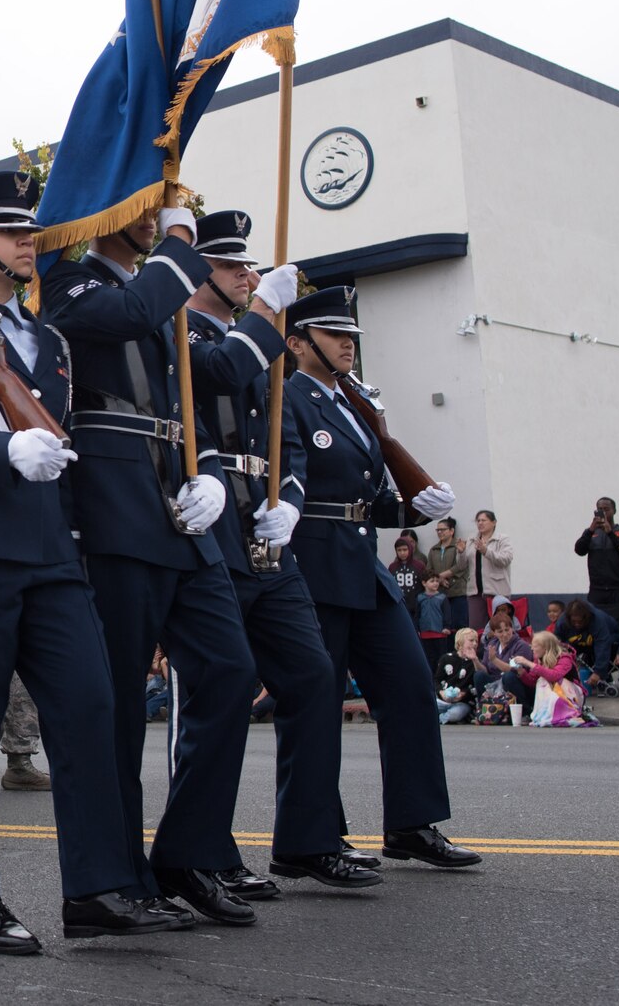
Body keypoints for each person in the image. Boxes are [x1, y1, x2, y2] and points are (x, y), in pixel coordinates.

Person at [0, 170, 189, 948]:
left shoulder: (46, 339)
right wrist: (3, 447)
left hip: (49, 553)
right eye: (11, 231)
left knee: (89, 709)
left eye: (30, 229)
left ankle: (96, 887)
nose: (30, 241)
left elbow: (64, 445)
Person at [43, 197, 274, 928]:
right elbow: (126, 316)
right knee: (111, 704)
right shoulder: (69, 284)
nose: (150, 217)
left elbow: (219, 370)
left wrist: (268, 310)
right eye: (138, 205)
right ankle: (107, 881)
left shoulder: (167, 299)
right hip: (114, 511)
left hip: (181, 506)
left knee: (232, 670)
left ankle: (187, 851)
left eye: (158, 209)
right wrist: (182, 242)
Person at [182, 209, 366, 898]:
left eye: (248, 266)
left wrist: (287, 495)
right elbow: (219, 379)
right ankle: (207, 849)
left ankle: (309, 838)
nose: (247, 275)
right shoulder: (185, 331)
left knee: (312, 675)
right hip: (214, 520)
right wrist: (265, 313)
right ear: (199, 271)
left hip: (266, 528)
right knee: (216, 691)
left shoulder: (254, 340)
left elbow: (280, 429)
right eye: (233, 267)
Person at [280, 287, 479, 871]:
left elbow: (369, 498)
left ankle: (411, 825)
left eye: (351, 336)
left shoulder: (354, 404)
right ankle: (309, 842)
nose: (348, 344)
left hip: (363, 568)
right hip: (313, 567)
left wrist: (418, 506)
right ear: (297, 343)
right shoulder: (287, 399)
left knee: (411, 688)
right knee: (315, 704)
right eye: (335, 335)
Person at [512, 630, 594, 726]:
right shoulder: (539, 659)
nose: (532, 648)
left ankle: (559, 714)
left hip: (572, 697)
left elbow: (554, 676)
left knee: (545, 680)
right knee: (540, 681)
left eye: (535, 646)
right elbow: (532, 682)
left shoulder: (564, 658)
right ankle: (543, 715)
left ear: (546, 647)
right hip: (554, 696)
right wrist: (522, 673)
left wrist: (529, 663)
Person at [575, 497, 619, 626]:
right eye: (600, 510)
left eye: (606, 509)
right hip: (597, 589)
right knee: (597, 625)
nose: (603, 512)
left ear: (614, 511)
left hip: (618, 589)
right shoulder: (591, 533)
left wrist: (610, 533)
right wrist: (590, 530)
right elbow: (579, 550)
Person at [479, 600, 536, 721]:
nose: (505, 634)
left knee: (509, 677)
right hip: (495, 683)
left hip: (516, 682)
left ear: (512, 629)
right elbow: (484, 668)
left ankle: (525, 711)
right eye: (500, 632)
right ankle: (484, 710)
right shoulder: (492, 644)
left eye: (507, 630)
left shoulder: (521, 645)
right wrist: (474, 659)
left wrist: (494, 660)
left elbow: (515, 670)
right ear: (494, 633)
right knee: (479, 675)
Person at [425, 518, 478, 632]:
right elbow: (429, 569)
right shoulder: (434, 549)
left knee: (460, 625)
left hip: (458, 592)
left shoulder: (459, 545)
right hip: (440, 593)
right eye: (438, 530)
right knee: (444, 626)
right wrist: (439, 579)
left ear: (451, 530)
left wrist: (443, 575)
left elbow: (461, 565)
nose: (440, 532)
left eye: (443, 529)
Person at [552, 599, 619, 682]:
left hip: (610, 639)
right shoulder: (563, 621)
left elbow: (602, 646)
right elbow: (556, 640)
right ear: (569, 618)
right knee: (562, 648)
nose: (577, 624)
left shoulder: (597, 620)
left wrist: (598, 672)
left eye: (579, 621)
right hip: (580, 641)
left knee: (602, 649)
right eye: (574, 621)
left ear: (586, 618)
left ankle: (604, 676)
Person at [465, 510, 514, 610]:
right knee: (476, 625)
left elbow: (505, 559)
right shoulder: (471, 540)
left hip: (497, 591)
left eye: (483, 520)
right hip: (475, 592)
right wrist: (461, 553)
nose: (480, 523)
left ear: (494, 522)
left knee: (498, 624)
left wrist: (486, 551)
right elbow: (462, 566)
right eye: (478, 521)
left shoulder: (502, 539)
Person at [436, 629, 478, 724]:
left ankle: (438, 720)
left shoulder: (475, 662)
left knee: (455, 714)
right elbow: (436, 680)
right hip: (442, 700)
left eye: (476, 641)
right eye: (471, 640)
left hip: (462, 702)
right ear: (460, 643)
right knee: (426, 706)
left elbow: (474, 684)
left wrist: (464, 694)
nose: (475, 643)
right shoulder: (446, 658)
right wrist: (441, 692)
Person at [416, 573, 454, 670]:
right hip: (425, 633)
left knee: (441, 658)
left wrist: (447, 627)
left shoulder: (442, 598)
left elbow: (447, 614)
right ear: (424, 583)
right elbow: (417, 615)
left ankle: (441, 676)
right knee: (428, 657)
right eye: (432, 581)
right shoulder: (420, 598)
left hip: (439, 633)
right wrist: (417, 629)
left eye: (437, 581)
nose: (435, 583)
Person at [388, 534, 425, 619]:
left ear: (410, 549)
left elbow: (424, 585)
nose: (402, 553)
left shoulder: (419, 566)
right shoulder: (392, 567)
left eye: (405, 550)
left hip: (416, 605)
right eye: (399, 550)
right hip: (399, 605)